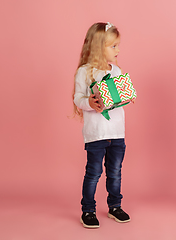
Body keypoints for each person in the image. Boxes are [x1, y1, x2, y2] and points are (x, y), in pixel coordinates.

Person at [73, 22, 130, 228]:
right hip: (96, 134)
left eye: (118, 45)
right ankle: (88, 210)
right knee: (94, 173)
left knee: (115, 171)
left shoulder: (116, 70)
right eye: (113, 46)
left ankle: (115, 206)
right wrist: (88, 102)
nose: (118, 50)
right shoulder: (85, 72)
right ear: (98, 47)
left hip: (116, 132)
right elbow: (77, 98)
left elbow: (118, 97)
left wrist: (128, 95)